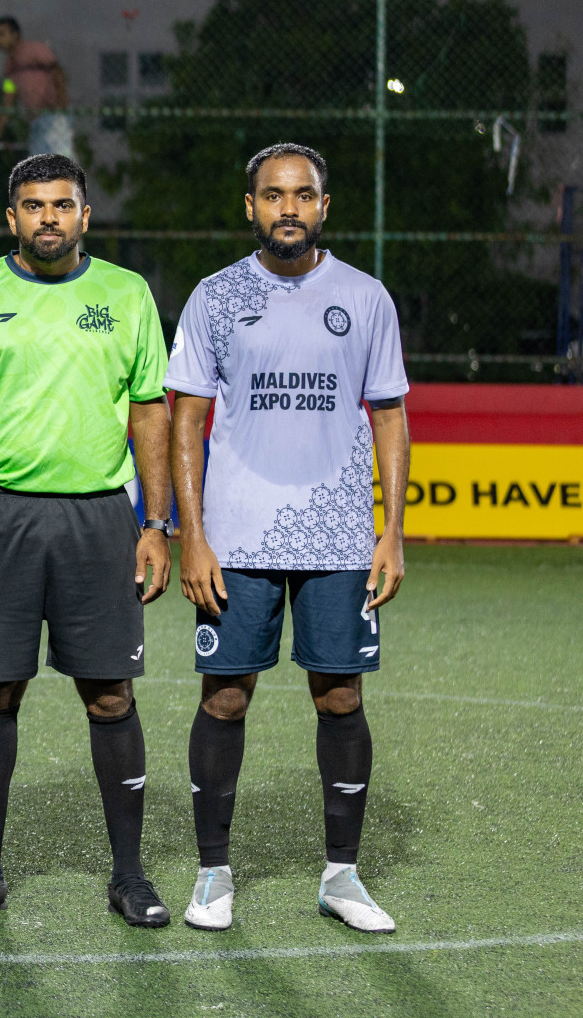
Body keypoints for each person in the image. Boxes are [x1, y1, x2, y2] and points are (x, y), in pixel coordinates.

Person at [0, 154, 174, 927]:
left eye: (63, 205)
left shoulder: (127, 295)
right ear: (12, 219)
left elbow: (150, 414)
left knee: (111, 695)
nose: (49, 218)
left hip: (99, 516)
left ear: (86, 216)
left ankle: (129, 875)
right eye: (33, 206)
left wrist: (158, 526)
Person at [166, 143, 410, 935]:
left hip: (340, 537)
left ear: (325, 206)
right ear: (251, 207)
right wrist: (191, 539)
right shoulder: (214, 297)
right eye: (273, 195)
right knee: (226, 697)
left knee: (340, 695)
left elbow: (389, 415)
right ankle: (212, 874)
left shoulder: (366, 298)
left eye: (303, 194)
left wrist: (393, 533)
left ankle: (342, 875)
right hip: (236, 539)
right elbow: (187, 421)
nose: (288, 208)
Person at [0, 17, 73, 159]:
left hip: (53, 115)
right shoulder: (9, 67)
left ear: (15, 35)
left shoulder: (36, 50)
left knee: (60, 165)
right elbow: (9, 97)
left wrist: (60, 107)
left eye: (2, 34)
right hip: (35, 120)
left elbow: (58, 73)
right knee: (39, 168)